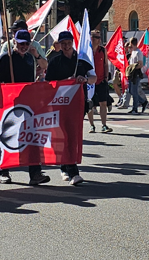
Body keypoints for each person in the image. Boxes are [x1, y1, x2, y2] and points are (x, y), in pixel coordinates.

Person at [0, 29, 51, 185]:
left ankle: (35, 173)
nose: (23, 46)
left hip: (28, 103)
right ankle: (3, 171)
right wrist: (4, 94)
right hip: (9, 103)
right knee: (7, 136)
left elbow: (44, 67)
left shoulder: (31, 58)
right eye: (21, 43)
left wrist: (36, 55)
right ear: (14, 42)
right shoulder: (5, 58)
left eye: (26, 43)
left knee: (32, 137)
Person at [44, 30, 93, 185]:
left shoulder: (81, 60)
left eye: (68, 43)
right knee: (65, 136)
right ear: (59, 45)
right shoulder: (54, 61)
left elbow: (94, 77)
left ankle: (65, 166)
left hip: (78, 104)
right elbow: (48, 83)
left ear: (73, 43)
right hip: (60, 104)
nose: (66, 46)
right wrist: (66, 81)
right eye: (63, 43)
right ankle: (73, 172)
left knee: (72, 136)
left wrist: (85, 79)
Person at [86, 32, 113, 132]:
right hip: (90, 81)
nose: (99, 39)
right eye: (96, 37)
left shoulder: (102, 50)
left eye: (99, 37)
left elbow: (105, 64)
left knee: (103, 103)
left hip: (101, 80)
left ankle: (104, 125)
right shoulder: (87, 50)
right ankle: (92, 125)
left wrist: (106, 77)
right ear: (91, 38)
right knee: (90, 103)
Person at [125, 37, 149, 114]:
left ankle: (135, 108)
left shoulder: (138, 52)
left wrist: (132, 68)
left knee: (134, 91)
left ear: (131, 43)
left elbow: (140, 64)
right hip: (132, 74)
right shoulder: (133, 52)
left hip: (136, 74)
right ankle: (143, 102)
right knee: (130, 91)